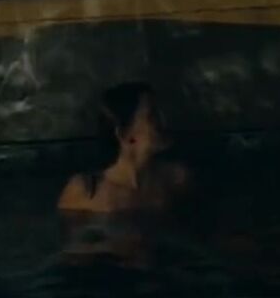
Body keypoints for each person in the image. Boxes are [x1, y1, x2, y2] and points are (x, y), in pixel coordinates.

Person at [57, 82, 190, 214]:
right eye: (152, 116)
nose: (164, 121)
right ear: (124, 134)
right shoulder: (86, 192)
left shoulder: (175, 180)